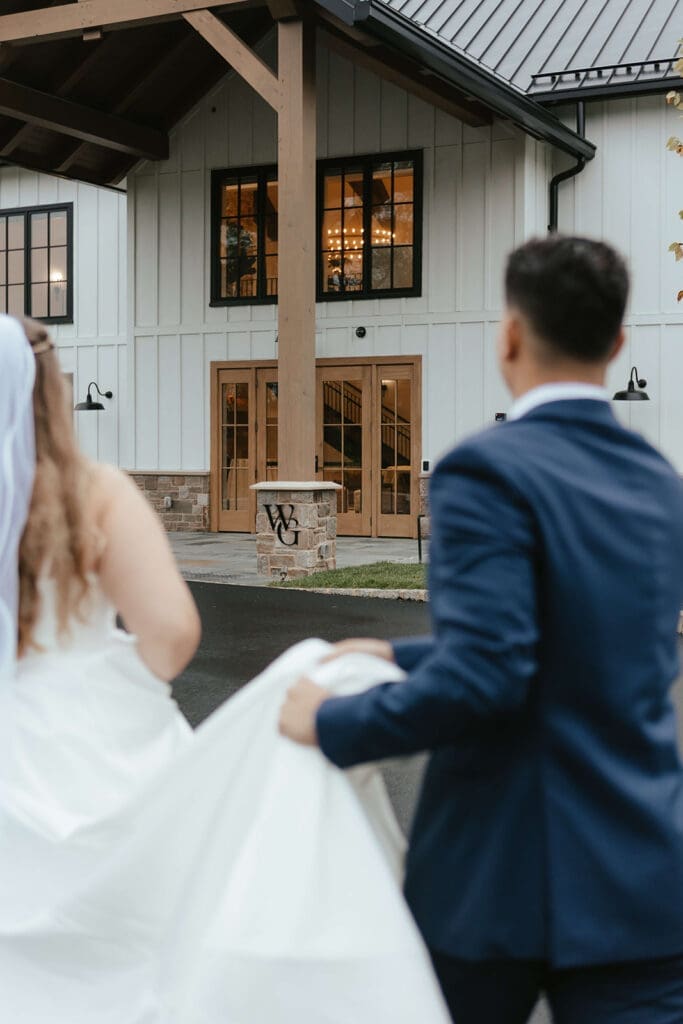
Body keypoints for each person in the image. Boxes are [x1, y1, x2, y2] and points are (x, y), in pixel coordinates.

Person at [280, 235, 683, 1024]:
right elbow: (587, 646)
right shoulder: (659, 482)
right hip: (637, 874)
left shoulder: (483, 470)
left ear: (509, 335)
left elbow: (487, 675)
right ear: (616, 343)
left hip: (492, 879)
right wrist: (397, 652)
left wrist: (331, 722)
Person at [0, 316, 449, 1022]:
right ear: (51, 393)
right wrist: (106, 675)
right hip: (87, 729)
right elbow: (172, 635)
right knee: (148, 929)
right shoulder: (93, 492)